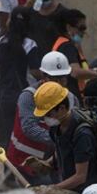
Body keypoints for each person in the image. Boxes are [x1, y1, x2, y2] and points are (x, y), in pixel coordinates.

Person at [8, 51, 77, 183]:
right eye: (54, 79)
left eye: (62, 78)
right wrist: (59, 139)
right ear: (43, 76)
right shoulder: (29, 96)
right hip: (26, 160)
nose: (59, 83)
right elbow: (29, 128)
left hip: (56, 160)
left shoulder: (71, 99)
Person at [34, 81, 97, 192]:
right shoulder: (56, 127)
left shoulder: (82, 134)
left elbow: (80, 177)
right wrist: (48, 163)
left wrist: (50, 189)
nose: (46, 118)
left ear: (61, 108)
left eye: (48, 114)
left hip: (87, 191)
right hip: (70, 187)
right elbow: (63, 148)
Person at [0, 6, 43, 148]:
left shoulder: (1, 41)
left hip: (4, 94)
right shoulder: (30, 44)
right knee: (22, 132)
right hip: (25, 94)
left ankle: (6, 159)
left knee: (6, 132)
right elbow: (35, 71)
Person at [51, 8, 97, 99]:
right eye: (81, 28)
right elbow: (75, 72)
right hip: (71, 96)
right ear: (69, 27)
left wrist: (95, 70)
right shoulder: (67, 47)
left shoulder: (61, 43)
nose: (84, 32)